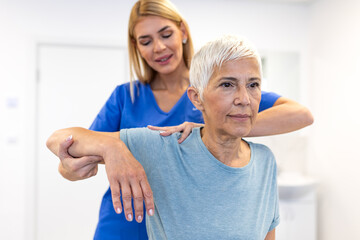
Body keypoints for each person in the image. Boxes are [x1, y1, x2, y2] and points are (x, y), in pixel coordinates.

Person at [56, 0, 313, 239]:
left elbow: (300, 114)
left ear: (183, 32)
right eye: (145, 41)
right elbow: (74, 151)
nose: (158, 47)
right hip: (125, 222)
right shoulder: (126, 96)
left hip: (187, 225)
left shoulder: (219, 87)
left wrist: (220, 126)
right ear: (136, 47)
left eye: (166, 34)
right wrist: (110, 147)